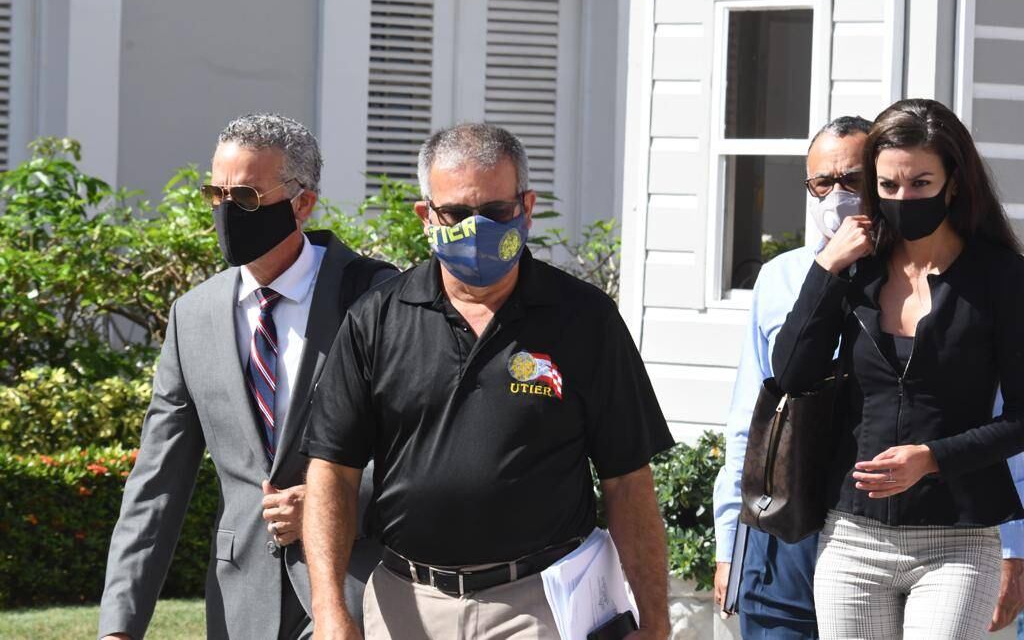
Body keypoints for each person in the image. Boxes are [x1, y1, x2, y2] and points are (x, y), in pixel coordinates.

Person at [300, 123, 675, 639]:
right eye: (456, 214)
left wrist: (655, 622)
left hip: (541, 604)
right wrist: (328, 608)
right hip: (406, 601)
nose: (476, 228)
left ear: (527, 207)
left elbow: (628, 482)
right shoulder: (376, 319)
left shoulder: (585, 319)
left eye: (495, 212)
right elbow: (332, 472)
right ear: (426, 216)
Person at [98, 114, 395, 640]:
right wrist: (119, 626)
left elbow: (425, 442)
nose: (226, 212)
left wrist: (335, 502)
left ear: (302, 203)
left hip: (356, 589)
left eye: (247, 198)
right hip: (241, 606)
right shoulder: (193, 317)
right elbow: (157, 483)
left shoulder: (377, 297)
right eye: (216, 194)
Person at [771, 98, 1024, 639]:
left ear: (953, 184)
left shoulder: (1002, 278)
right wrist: (827, 268)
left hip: (957, 540)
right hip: (852, 537)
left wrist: (932, 458)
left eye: (920, 183)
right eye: (888, 186)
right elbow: (791, 373)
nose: (903, 198)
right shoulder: (856, 270)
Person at [712, 116, 873, 638]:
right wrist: (729, 544)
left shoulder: (911, 279)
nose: (836, 194)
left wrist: (1012, 545)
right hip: (782, 547)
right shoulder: (780, 276)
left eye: (852, 179)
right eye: (822, 182)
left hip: (878, 546)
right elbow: (750, 419)